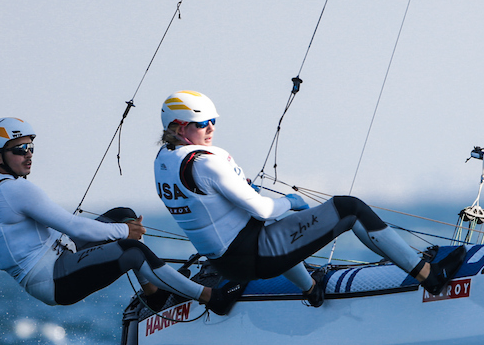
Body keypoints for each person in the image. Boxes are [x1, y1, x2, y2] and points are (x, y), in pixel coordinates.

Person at [153, 90, 465, 309]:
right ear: (179, 128)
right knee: (349, 208)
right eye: (202, 124)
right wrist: (292, 200)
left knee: (282, 228)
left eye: (213, 121)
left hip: (226, 263)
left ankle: (313, 291)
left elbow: (210, 206)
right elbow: (263, 209)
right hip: (254, 255)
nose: (210, 128)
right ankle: (430, 276)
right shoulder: (206, 162)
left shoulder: (163, 161)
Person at [0, 117, 242, 314]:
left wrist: (123, 226)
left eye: (30, 147)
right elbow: (74, 227)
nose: (28, 155)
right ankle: (211, 298)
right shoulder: (14, 190)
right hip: (52, 279)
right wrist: (125, 232)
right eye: (19, 149)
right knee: (132, 250)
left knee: (122, 215)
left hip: (58, 257)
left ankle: (155, 295)